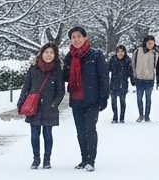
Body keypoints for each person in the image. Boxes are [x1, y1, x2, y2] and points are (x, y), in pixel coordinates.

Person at [62, 26, 109, 171]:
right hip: (76, 100)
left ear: (85, 38)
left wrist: (104, 97)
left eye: (78, 36)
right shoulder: (69, 57)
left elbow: (104, 77)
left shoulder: (96, 55)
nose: (76, 39)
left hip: (92, 99)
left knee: (90, 129)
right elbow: (64, 77)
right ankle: (83, 159)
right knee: (80, 131)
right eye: (73, 37)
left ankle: (91, 160)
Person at [18, 42, 67, 170]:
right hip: (34, 106)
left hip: (49, 107)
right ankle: (36, 159)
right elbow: (26, 87)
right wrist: (21, 102)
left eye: (52, 53)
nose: (49, 55)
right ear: (42, 53)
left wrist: (54, 104)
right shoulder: (33, 68)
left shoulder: (57, 71)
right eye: (46, 52)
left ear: (55, 55)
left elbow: (61, 90)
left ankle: (47, 159)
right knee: (34, 134)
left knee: (47, 134)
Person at [131, 35, 159, 121]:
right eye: (148, 43)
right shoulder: (138, 51)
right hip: (139, 78)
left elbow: (157, 67)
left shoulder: (155, 53)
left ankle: (147, 115)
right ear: (145, 43)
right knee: (139, 98)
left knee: (148, 98)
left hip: (149, 79)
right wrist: (134, 76)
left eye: (152, 43)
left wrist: (157, 80)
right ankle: (140, 115)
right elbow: (133, 64)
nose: (150, 45)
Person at [108, 45, 133, 123]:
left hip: (123, 84)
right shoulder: (112, 60)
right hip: (113, 84)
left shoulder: (127, 60)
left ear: (124, 52)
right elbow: (107, 70)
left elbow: (131, 72)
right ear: (116, 53)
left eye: (122, 52)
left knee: (122, 101)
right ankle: (115, 117)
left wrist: (133, 81)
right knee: (113, 102)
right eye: (118, 52)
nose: (120, 53)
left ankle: (122, 117)